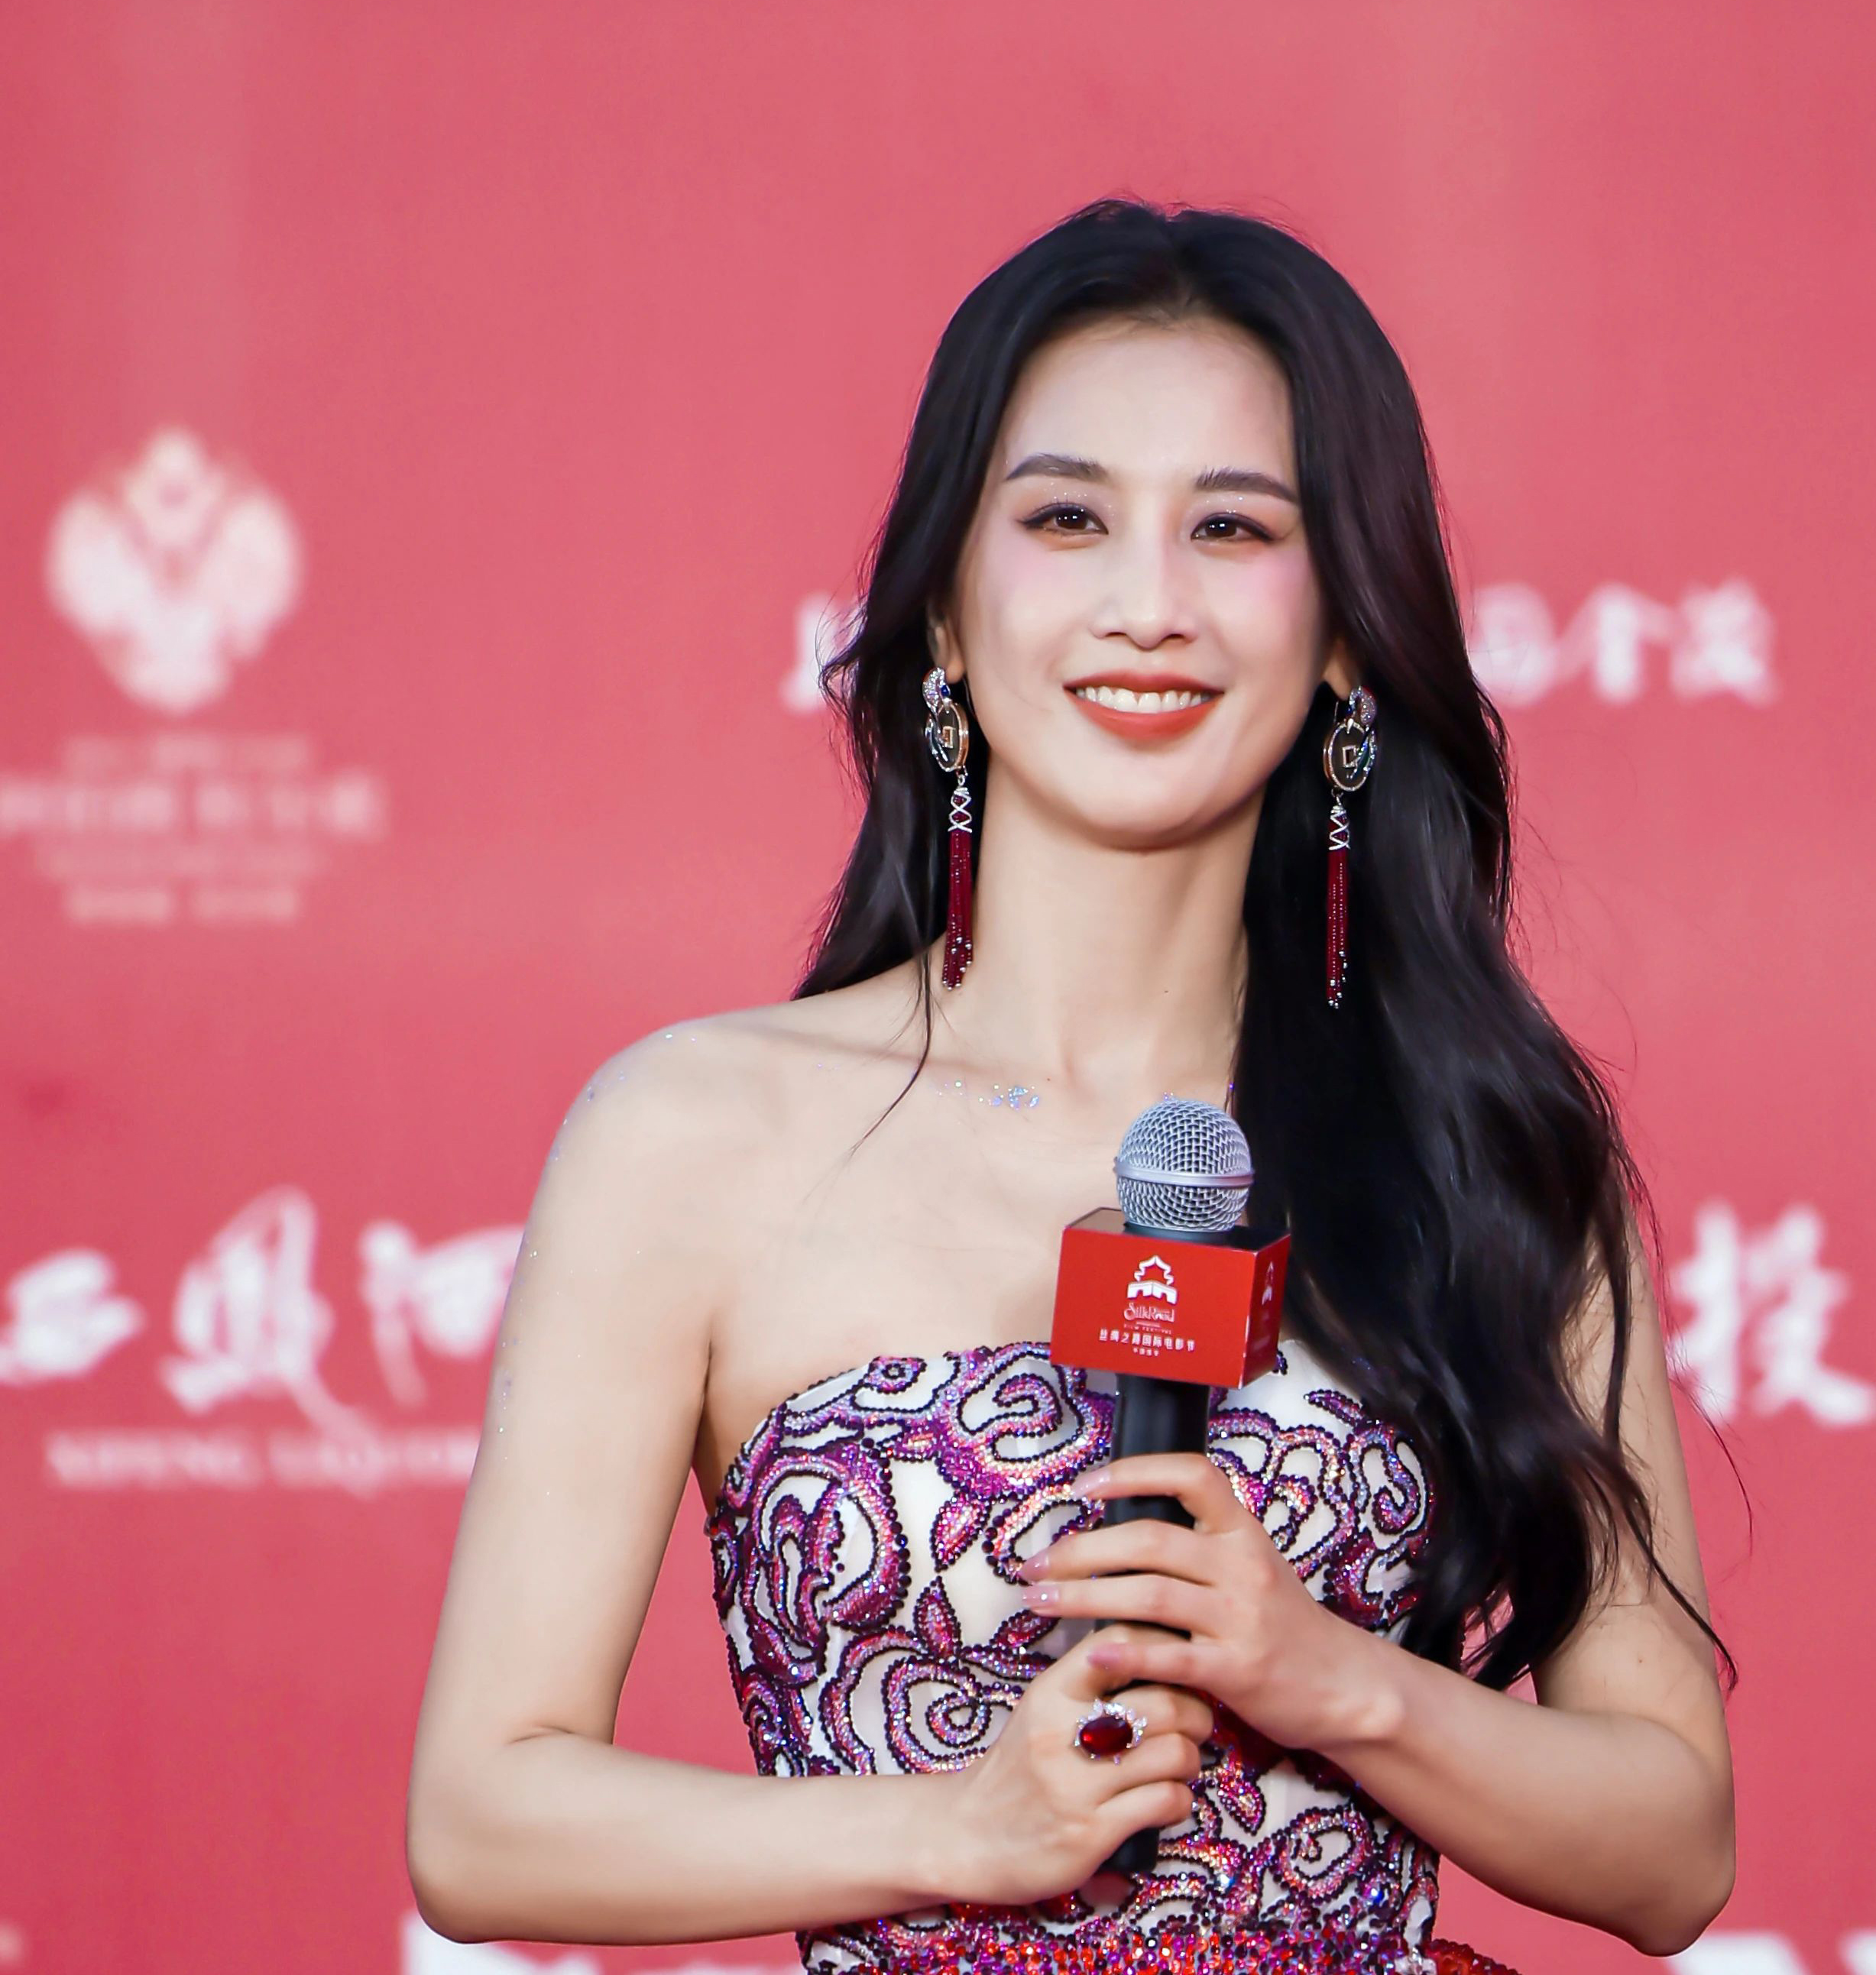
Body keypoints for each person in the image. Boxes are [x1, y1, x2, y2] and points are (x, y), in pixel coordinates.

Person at [406, 196, 1738, 1973]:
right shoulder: (693, 1137)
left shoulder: (1480, 1146)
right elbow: (485, 1820)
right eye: (1067, 519)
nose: (1148, 605)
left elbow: (1674, 1844)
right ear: (949, 615)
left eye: (1234, 528)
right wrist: (955, 1826)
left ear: (1347, 636)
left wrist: (1332, 1680)